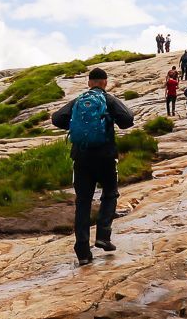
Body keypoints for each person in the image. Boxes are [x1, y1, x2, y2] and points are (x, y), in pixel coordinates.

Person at [52, 68, 135, 266]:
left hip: (81, 158)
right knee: (110, 193)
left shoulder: (78, 101)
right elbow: (127, 120)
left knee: (83, 202)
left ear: (89, 82)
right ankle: (103, 235)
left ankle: (82, 251)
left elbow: (56, 118)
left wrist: (76, 126)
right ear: (105, 82)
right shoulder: (109, 100)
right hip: (105, 157)